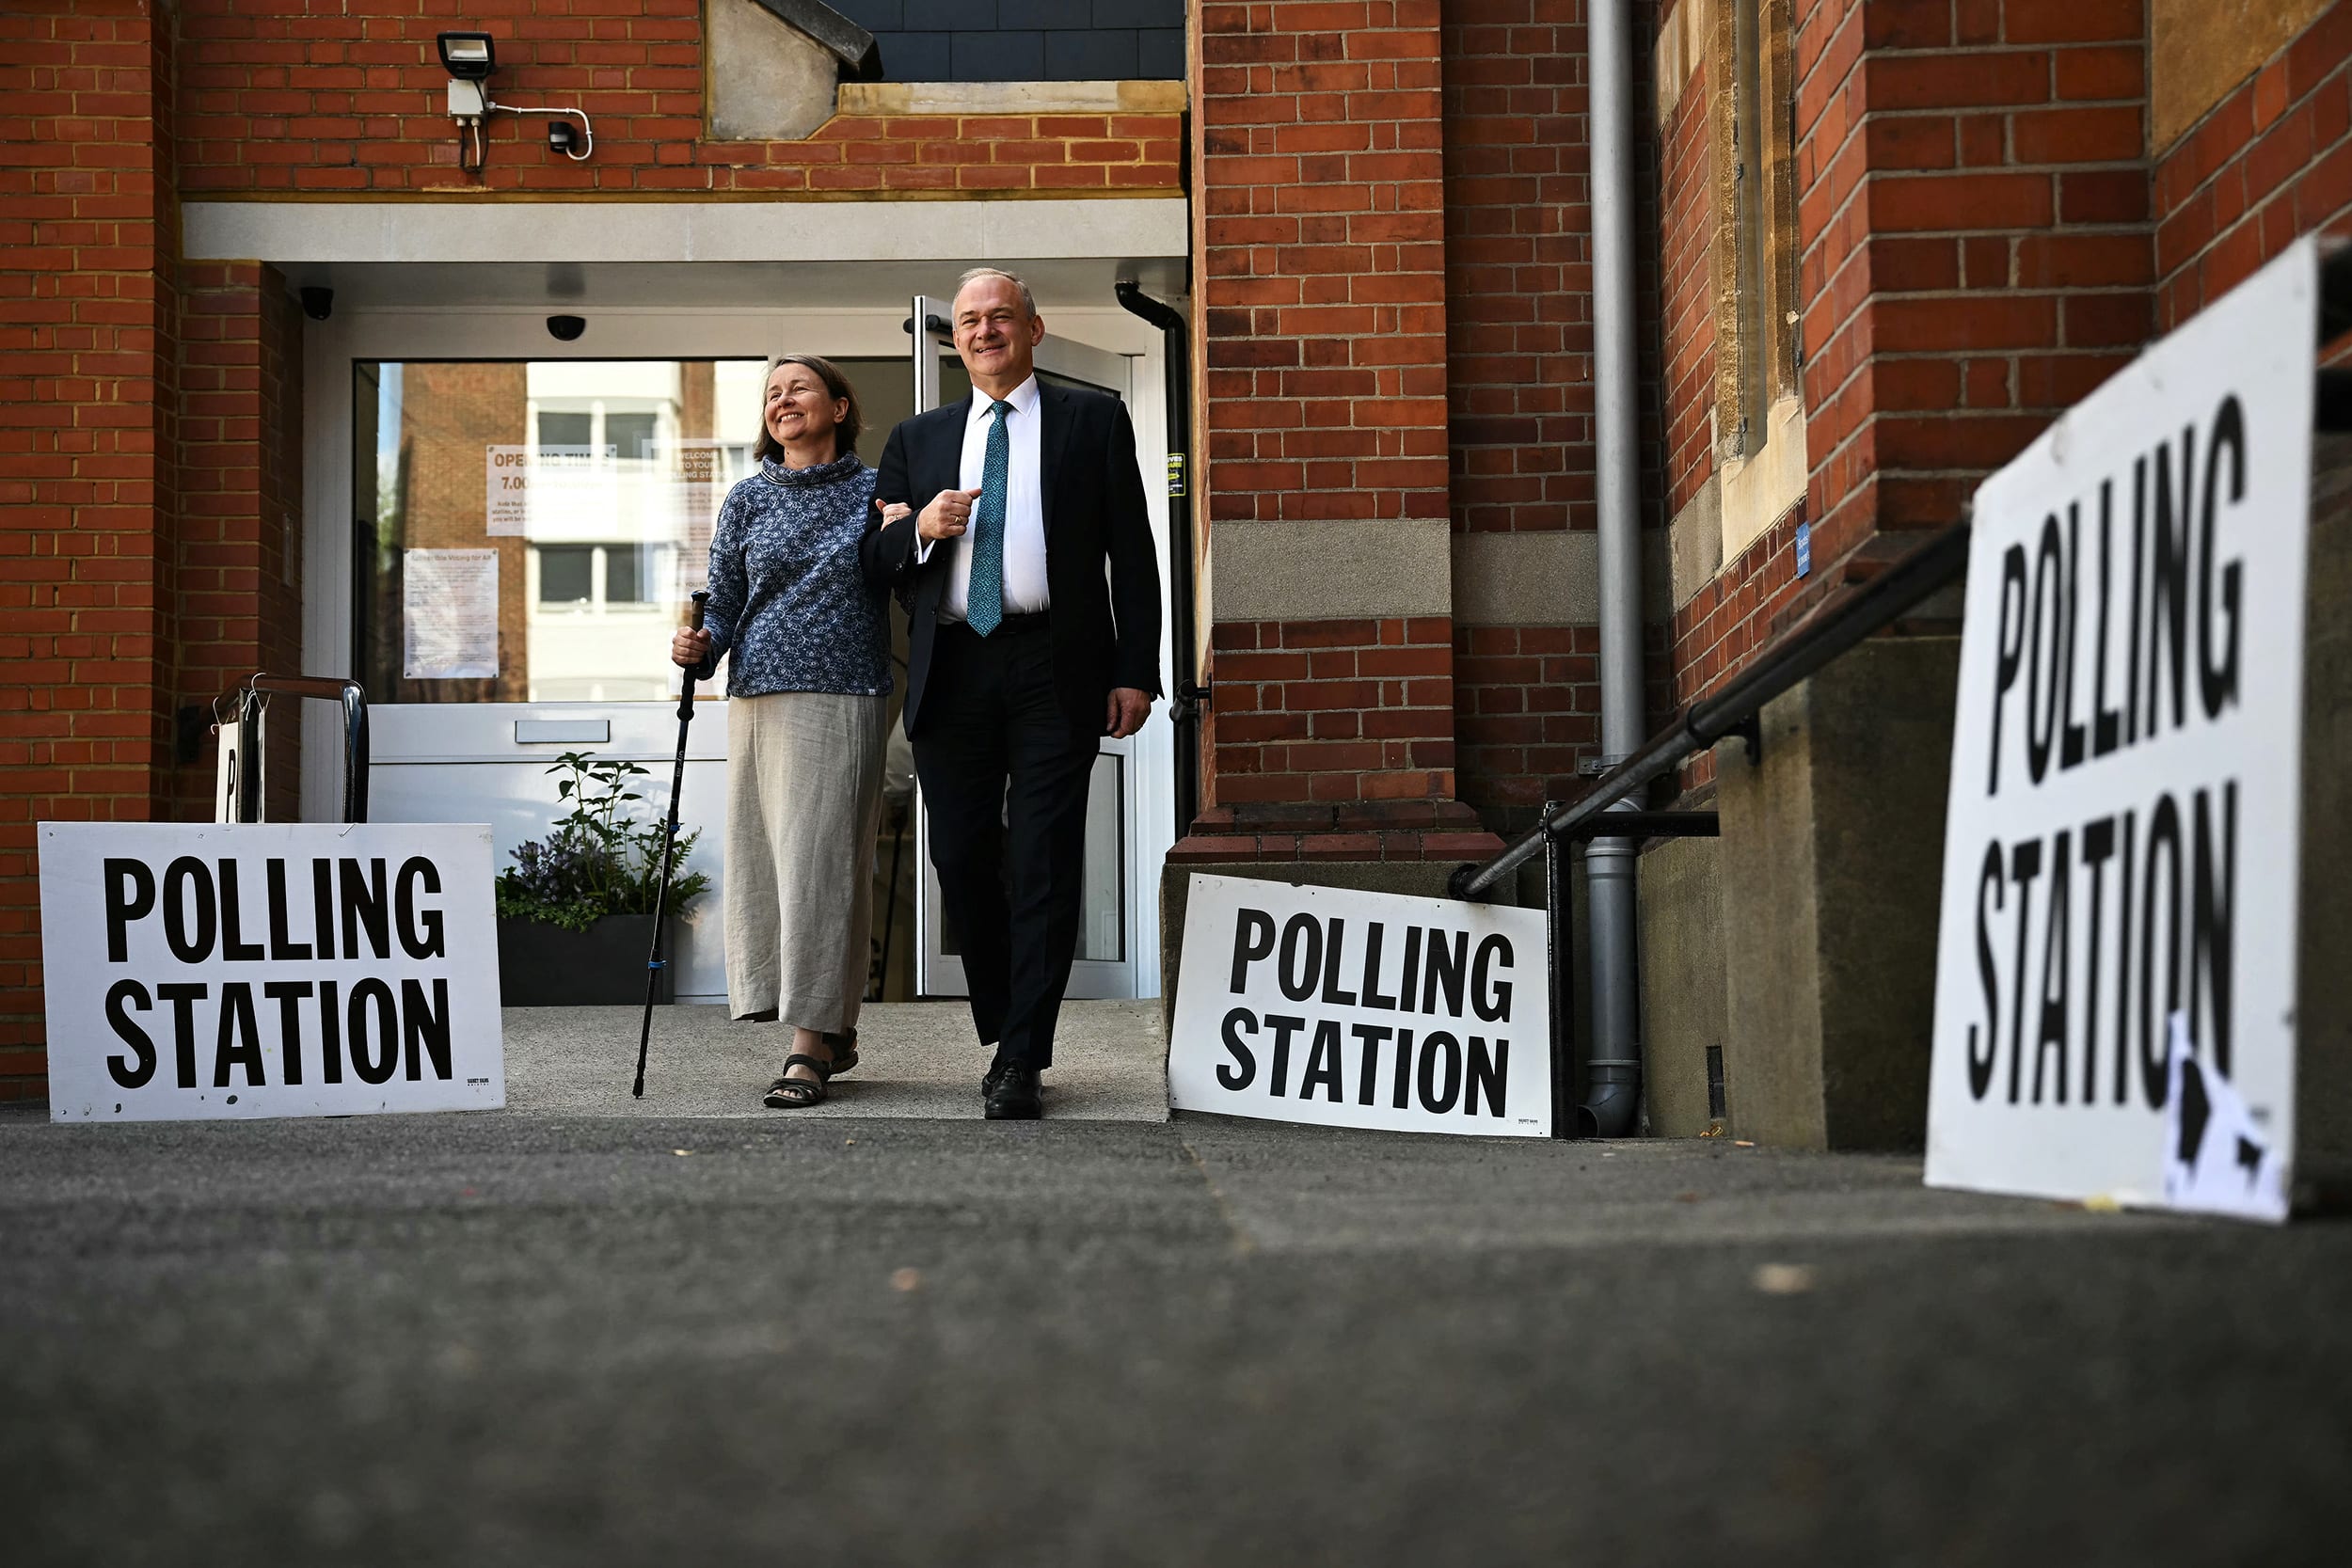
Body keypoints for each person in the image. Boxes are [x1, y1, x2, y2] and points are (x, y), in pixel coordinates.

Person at [863, 267, 1163, 1119]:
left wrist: (1135, 670)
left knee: (1043, 859)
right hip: (953, 665)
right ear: (954, 340)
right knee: (959, 856)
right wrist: (918, 531)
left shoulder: (1092, 420)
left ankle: (1023, 1054)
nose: (984, 331)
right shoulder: (919, 440)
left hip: (1052, 663)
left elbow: (1132, 557)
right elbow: (873, 563)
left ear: (1034, 329)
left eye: (1000, 317)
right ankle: (1007, 1026)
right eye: (968, 321)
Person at [673, 354, 905, 1109]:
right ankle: (827, 1025)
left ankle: (809, 1045)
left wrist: (909, 534)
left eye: (799, 387)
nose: (783, 400)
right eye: (772, 393)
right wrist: (701, 644)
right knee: (769, 867)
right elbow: (726, 601)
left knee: (822, 866)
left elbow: (904, 573)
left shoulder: (877, 490)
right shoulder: (745, 499)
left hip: (844, 694)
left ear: (840, 407)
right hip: (756, 697)